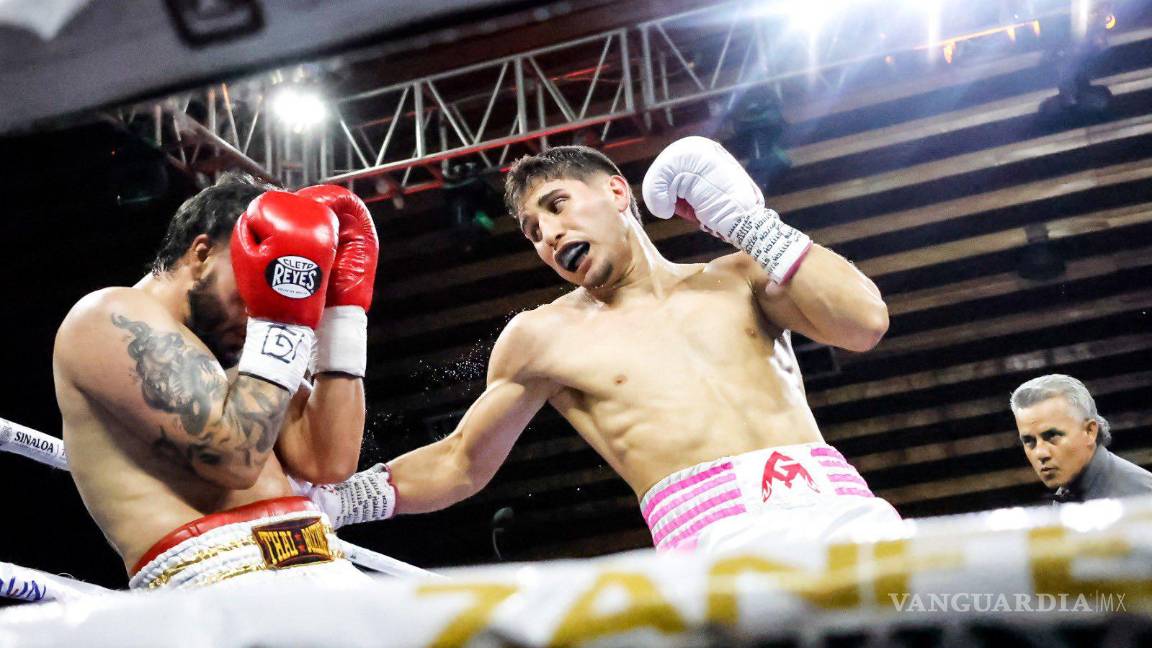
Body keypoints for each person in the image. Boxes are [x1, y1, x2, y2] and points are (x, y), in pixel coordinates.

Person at [334, 136, 903, 554]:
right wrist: (335, 501)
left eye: (556, 206)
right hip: (713, 542)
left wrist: (751, 224)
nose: (549, 235)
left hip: (843, 511)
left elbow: (863, 323)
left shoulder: (739, 277)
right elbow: (460, 462)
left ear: (615, 192)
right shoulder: (543, 336)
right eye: (533, 232)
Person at [53, 173, 380, 588]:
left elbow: (327, 460)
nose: (255, 313)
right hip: (219, 581)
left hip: (318, 563)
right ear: (202, 253)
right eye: (251, 287)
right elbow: (234, 458)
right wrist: (283, 311)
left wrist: (340, 314)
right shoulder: (108, 315)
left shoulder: (245, 355)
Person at [1012, 374, 1152, 503]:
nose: (1040, 453)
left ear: (1089, 431)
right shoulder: (1068, 493)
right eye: (1029, 441)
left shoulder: (1140, 498)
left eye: (1052, 436)